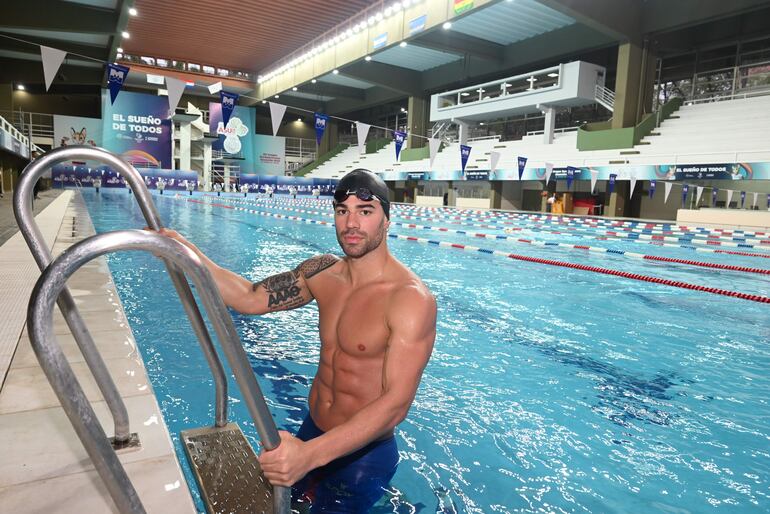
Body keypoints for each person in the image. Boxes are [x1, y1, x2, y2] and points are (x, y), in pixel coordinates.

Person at [155, 169, 436, 512]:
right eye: (341, 210)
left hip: (362, 458)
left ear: (387, 219)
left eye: (365, 211)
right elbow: (249, 296)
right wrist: (186, 251)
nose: (351, 223)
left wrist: (308, 456)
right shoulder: (322, 273)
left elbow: (395, 404)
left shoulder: (409, 299)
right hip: (311, 429)